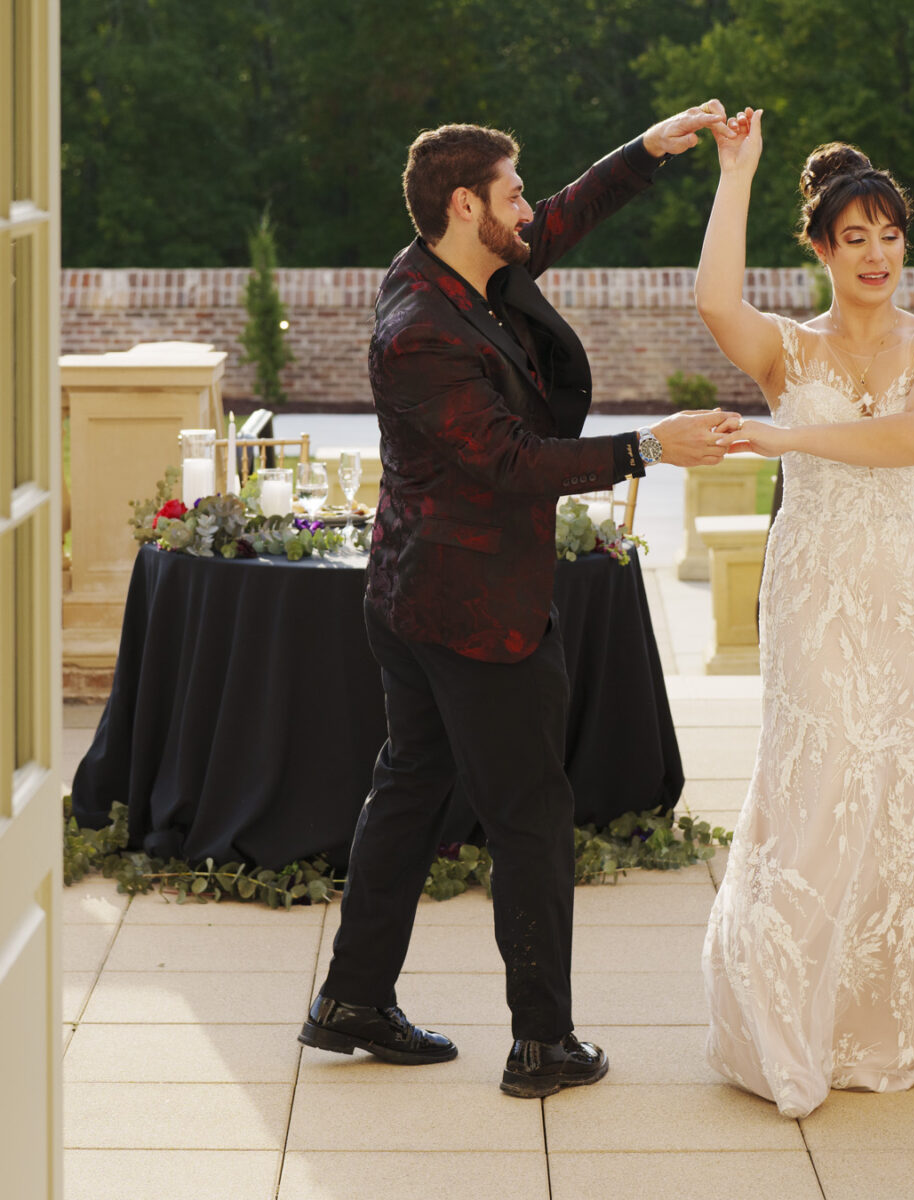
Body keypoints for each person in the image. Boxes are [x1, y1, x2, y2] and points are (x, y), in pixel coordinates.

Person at [302, 110, 744, 1099]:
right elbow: (507, 461)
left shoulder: (449, 265)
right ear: (466, 206)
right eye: (511, 191)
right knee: (531, 814)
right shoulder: (419, 331)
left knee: (411, 784)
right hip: (468, 614)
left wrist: (651, 148)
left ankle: (350, 1000)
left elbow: (565, 216)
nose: (529, 207)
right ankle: (542, 1042)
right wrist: (649, 448)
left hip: (416, 594)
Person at [692, 111, 914, 1119]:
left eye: (890, 234)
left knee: (908, 778)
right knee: (821, 778)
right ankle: (783, 1006)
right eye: (855, 238)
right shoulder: (787, 350)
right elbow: (713, 298)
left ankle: (905, 1008)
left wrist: (781, 436)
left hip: (913, 592)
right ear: (824, 249)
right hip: (816, 590)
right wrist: (737, 171)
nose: (877, 254)